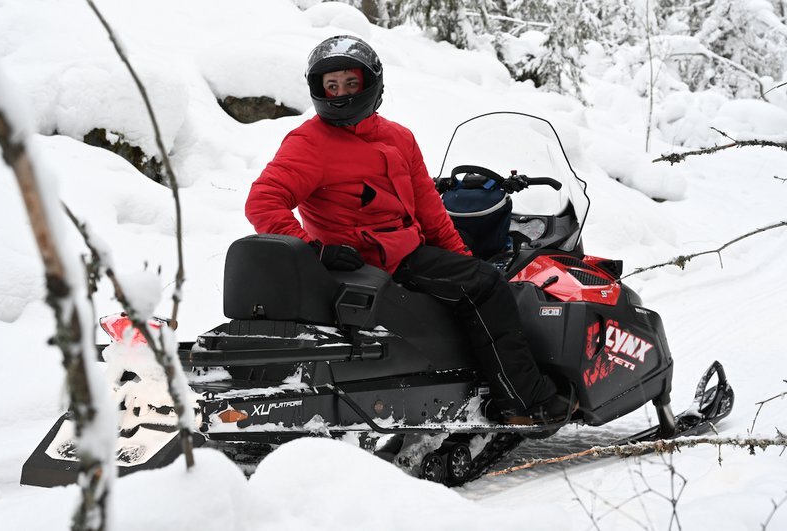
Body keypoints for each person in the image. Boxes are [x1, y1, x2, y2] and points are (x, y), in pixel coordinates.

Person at [245, 35, 573, 424]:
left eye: (351, 83)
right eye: (331, 86)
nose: (341, 94)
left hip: (404, 250)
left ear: (371, 84)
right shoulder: (309, 143)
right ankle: (524, 401)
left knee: (478, 274)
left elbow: (429, 210)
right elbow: (263, 201)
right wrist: (313, 250)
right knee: (489, 287)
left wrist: (461, 257)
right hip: (362, 261)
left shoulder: (398, 137)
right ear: (318, 90)